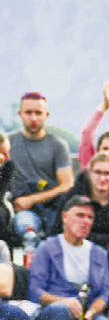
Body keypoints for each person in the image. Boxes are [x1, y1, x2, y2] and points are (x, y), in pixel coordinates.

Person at [28, 196, 109, 320]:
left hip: (84, 316)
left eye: (90, 217)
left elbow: (104, 293)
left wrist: (92, 312)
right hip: (51, 317)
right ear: (65, 217)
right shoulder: (47, 248)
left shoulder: (99, 253)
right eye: (80, 215)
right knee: (58, 310)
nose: (86, 221)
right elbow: (35, 291)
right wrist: (65, 302)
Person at [8, 92, 74, 241]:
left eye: (38, 113)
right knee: (25, 226)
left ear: (46, 115)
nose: (33, 118)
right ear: (20, 114)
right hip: (20, 211)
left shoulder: (57, 146)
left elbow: (67, 184)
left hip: (52, 209)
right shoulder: (8, 143)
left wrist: (31, 200)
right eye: (28, 112)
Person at [61, 150, 109, 249]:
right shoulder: (72, 197)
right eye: (98, 172)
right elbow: (57, 229)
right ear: (90, 173)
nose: (102, 178)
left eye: (107, 173)